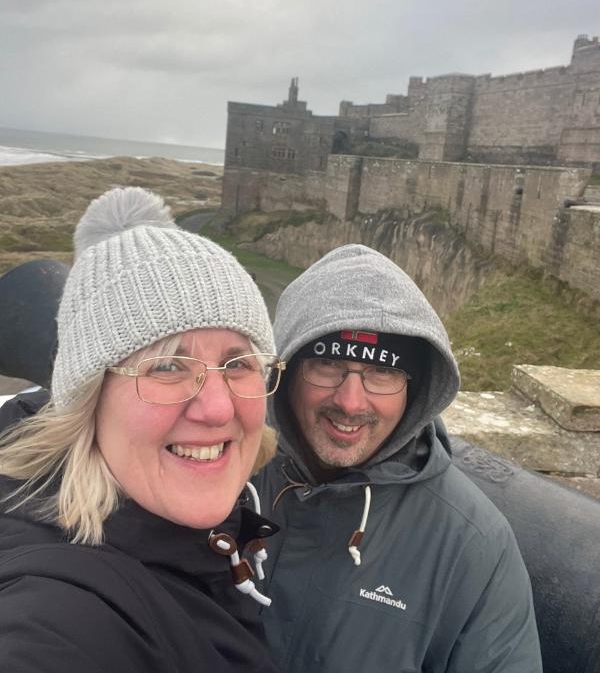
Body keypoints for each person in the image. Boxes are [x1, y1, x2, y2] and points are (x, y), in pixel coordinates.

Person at [0, 186, 285, 673]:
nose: (217, 409)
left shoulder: (218, 522)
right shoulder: (63, 609)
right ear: (87, 401)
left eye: (238, 363)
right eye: (167, 368)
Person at [255, 244, 543, 672]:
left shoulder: (472, 545)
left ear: (415, 387)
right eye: (329, 364)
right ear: (288, 368)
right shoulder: (227, 475)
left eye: (383, 371)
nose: (351, 402)